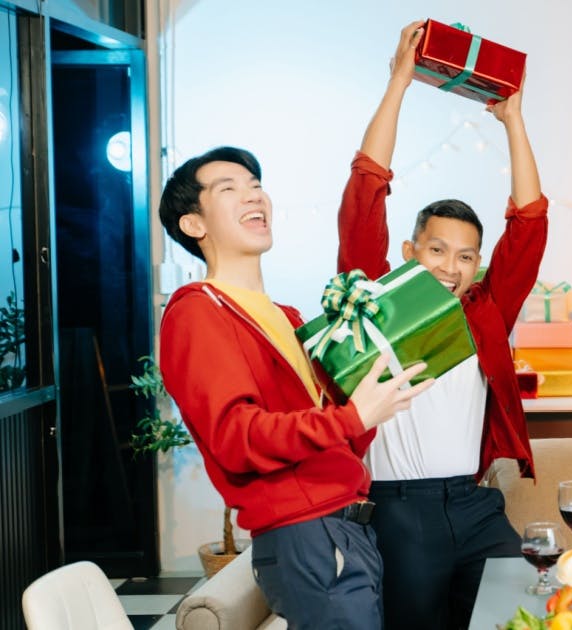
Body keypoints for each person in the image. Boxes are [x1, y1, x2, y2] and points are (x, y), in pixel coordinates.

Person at [157, 145, 434, 629]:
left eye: (256, 186)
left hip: (346, 530)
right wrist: (353, 416)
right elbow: (237, 437)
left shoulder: (287, 318)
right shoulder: (197, 311)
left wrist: (373, 395)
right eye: (230, 189)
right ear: (194, 224)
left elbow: (340, 437)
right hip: (307, 535)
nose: (254, 196)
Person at [336, 20, 547, 630]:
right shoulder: (377, 303)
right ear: (408, 251)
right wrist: (400, 80)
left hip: (476, 504)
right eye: (436, 250)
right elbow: (364, 195)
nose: (450, 267)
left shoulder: (486, 313)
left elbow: (529, 225)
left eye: (465, 256)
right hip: (401, 510)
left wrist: (513, 120)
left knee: (520, 618)